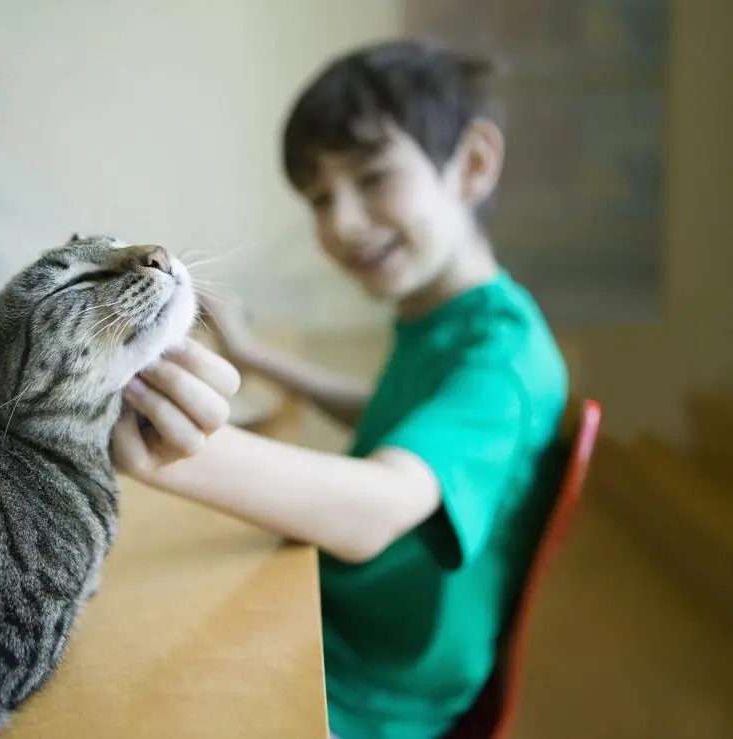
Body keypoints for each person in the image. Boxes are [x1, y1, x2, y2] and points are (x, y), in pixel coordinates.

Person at [111, 38, 569, 739]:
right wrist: (255, 354)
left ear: (472, 164)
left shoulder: (502, 365)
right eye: (320, 197)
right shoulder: (452, 320)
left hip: (374, 690)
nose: (341, 222)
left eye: (373, 177)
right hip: (340, 625)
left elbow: (378, 509)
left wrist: (177, 449)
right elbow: (397, 419)